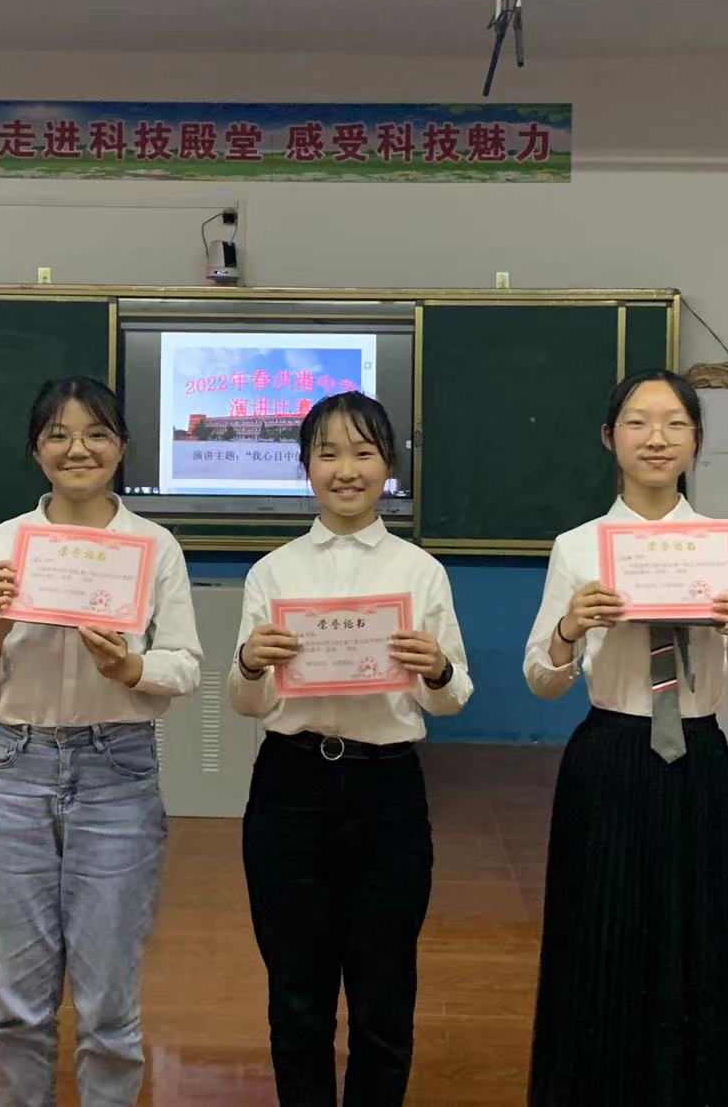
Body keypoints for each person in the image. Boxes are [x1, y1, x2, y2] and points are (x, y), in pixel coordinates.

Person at [522, 369, 728, 1106]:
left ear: (696, 440)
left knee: (698, 937)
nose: (657, 438)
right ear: (609, 438)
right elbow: (542, 679)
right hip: (610, 755)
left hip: (697, 755)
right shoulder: (579, 547)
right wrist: (569, 629)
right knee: (602, 937)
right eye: (638, 422)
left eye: (675, 423)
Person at [0, 376, 200, 1107]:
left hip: (118, 770)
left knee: (108, 1008)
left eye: (96, 434)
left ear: (122, 447)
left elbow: (184, 665)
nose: (77, 449)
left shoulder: (153, 546)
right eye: (58, 434)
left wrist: (131, 667)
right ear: (36, 450)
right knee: (17, 1006)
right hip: (17, 771)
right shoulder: (2, 547)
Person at [229, 391, 472, 1107]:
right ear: (305, 466)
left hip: (387, 791)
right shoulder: (273, 572)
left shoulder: (420, 571)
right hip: (290, 789)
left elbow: (452, 697)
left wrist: (437, 668)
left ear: (387, 465)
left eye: (363, 453)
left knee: (383, 1000)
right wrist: (249, 663)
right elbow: (247, 703)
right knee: (296, 998)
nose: (346, 469)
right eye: (327, 453)